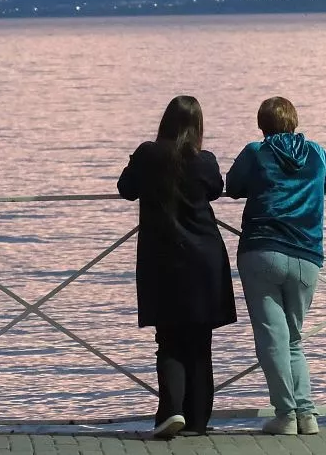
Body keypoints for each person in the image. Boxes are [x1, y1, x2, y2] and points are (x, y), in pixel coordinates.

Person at [226, 96, 326, 436]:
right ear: (294, 121)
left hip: (262, 251)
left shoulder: (255, 152)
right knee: (293, 339)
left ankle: (286, 415)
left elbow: (231, 186)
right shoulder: (317, 152)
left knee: (273, 340)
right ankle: (306, 415)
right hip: (307, 255)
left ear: (261, 124)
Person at [117, 95, 237, 438]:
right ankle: (198, 421)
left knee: (168, 339)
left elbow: (126, 189)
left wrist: (136, 162)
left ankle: (171, 412)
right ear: (197, 126)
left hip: (163, 261)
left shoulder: (148, 154)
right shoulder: (204, 160)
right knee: (200, 343)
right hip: (205, 259)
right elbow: (216, 189)